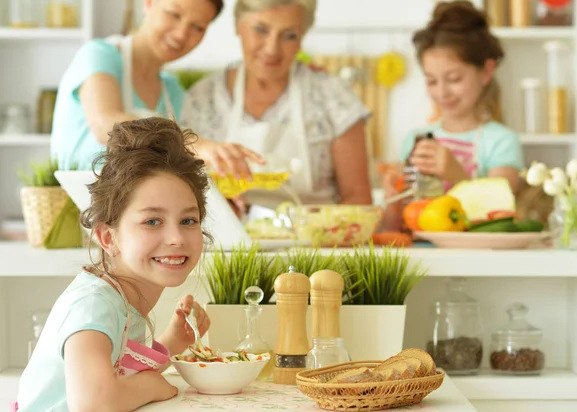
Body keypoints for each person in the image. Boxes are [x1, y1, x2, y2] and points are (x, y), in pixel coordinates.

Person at [17, 118, 211, 411]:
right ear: (108, 237)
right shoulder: (94, 305)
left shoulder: (117, 297)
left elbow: (118, 374)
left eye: (188, 220)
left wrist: (168, 345)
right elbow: (94, 403)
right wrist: (152, 386)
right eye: (152, 221)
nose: (175, 238)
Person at [182, 0, 373, 210]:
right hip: (228, 240)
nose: (272, 49)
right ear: (238, 26)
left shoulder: (334, 96)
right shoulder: (201, 99)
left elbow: (357, 198)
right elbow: (186, 190)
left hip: (318, 240)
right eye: (260, 30)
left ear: (302, 38)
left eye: (289, 35)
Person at [382, 1, 524, 230]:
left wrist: (455, 173)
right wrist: (392, 197)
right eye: (431, 81)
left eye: (454, 79)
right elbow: (393, 228)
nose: (442, 92)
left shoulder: (500, 141)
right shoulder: (415, 139)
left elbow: (501, 211)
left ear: (486, 71)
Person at [51, 0, 224, 171]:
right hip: (73, 197)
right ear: (148, 3)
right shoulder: (99, 55)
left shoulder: (173, 90)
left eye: (197, 27)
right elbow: (105, 125)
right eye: (174, 14)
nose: (181, 34)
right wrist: (194, 144)